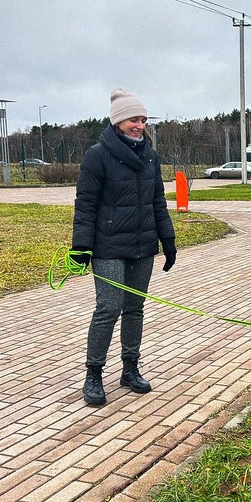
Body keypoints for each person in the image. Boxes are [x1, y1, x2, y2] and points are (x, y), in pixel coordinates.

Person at [71, 88, 177, 406]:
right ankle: (94, 374)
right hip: (108, 247)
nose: (140, 125)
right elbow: (86, 204)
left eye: (143, 119)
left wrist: (167, 240)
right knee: (108, 308)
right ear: (118, 121)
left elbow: (158, 201)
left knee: (135, 309)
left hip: (143, 246)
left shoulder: (150, 156)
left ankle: (130, 369)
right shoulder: (97, 155)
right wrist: (81, 247)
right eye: (134, 119)